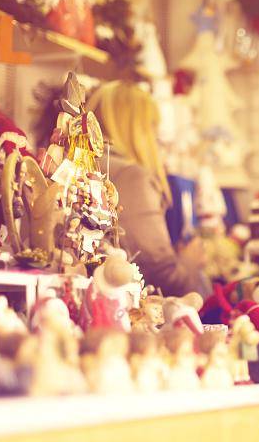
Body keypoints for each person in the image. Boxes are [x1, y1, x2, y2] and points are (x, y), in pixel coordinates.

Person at [86, 82, 209, 297]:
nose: (156, 140)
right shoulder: (132, 177)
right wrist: (190, 261)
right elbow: (163, 278)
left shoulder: (86, 165)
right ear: (136, 129)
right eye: (152, 128)